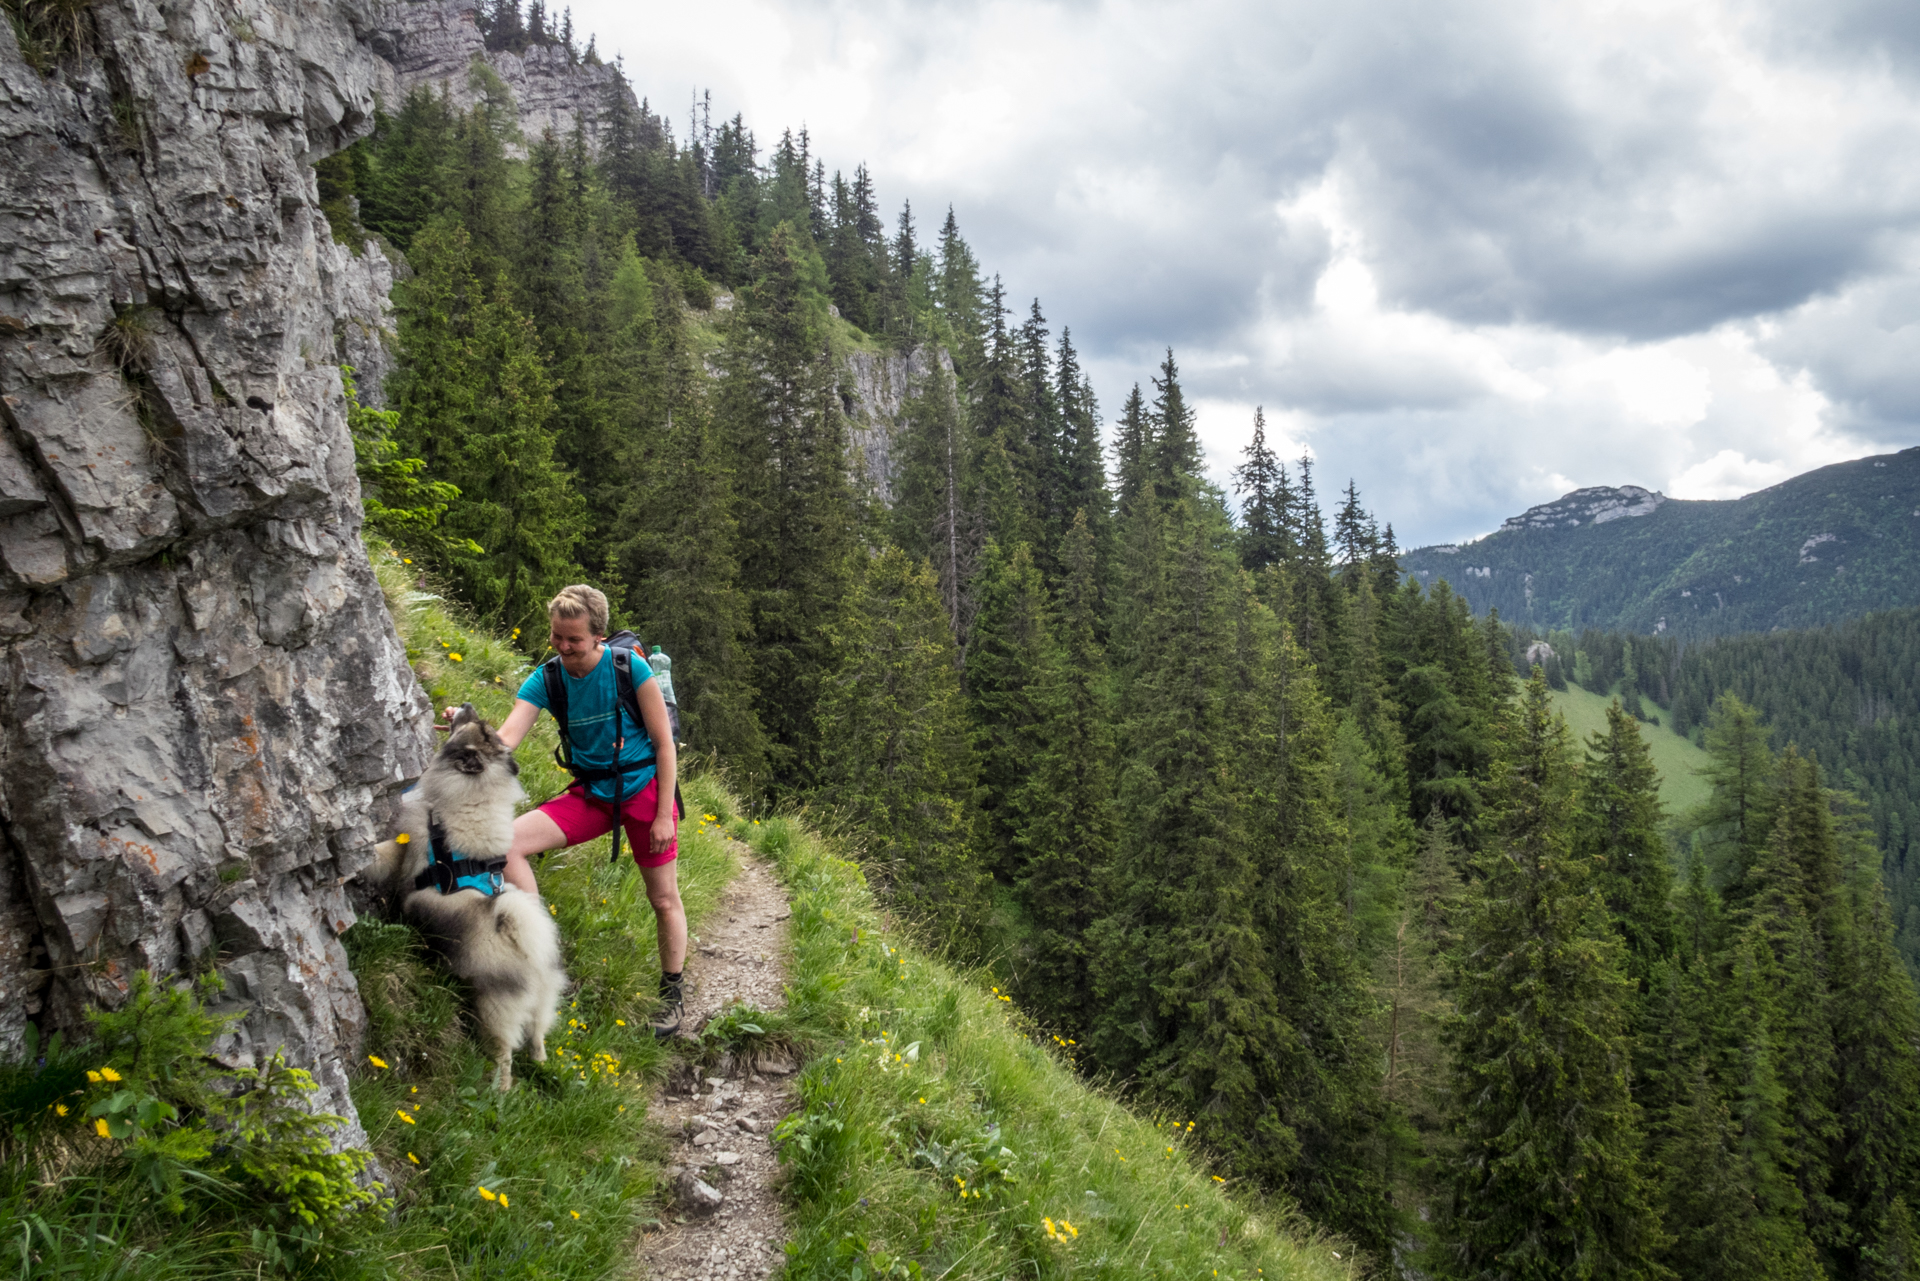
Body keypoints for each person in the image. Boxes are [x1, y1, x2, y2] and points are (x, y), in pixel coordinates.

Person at [443, 584, 686, 1036]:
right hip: (593, 793)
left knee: (663, 898)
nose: (564, 647)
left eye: (574, 639)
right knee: (509, 843)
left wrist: (661, 818)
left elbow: (664, 745)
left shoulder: (628, 669)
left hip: (644, 793)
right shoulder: (547, 678)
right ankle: (546, 956)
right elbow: (510, 736)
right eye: (557, 636)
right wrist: (469, 729)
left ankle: (672, 994)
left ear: (598, 636)